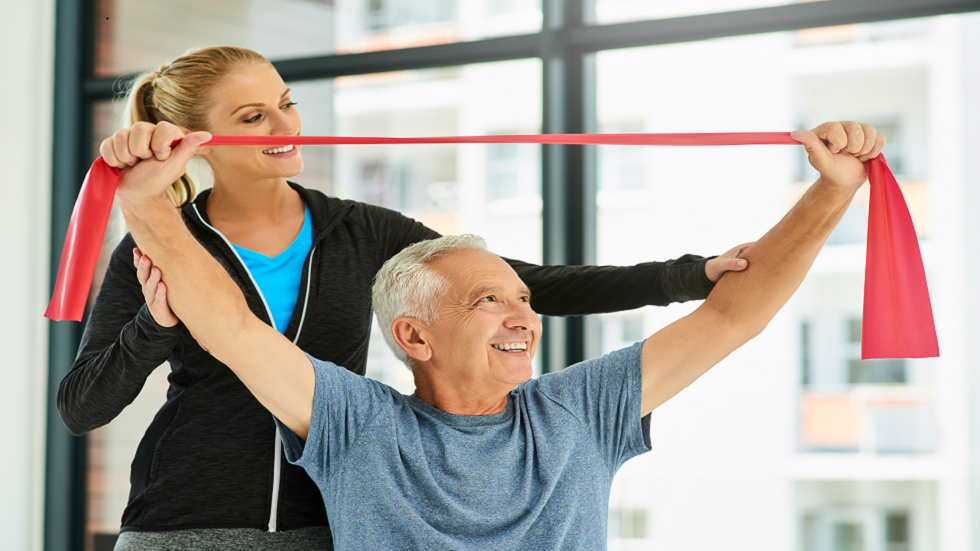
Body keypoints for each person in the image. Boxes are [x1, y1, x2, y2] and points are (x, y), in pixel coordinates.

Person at [57, 46, 749, 549]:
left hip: (323, 523)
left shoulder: (363, 231)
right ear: (201, 140)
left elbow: (530, 282)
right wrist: (156, 320)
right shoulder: (162, 244)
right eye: (254, 115)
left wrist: (689, 275)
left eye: (287, 103)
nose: (286, 124)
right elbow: (82, 404)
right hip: (181, 524)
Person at [116, 119, 884, 550]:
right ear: (414, 336)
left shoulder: (581, 408)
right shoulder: (358, 422)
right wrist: (150, 206)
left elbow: (733, 313)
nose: (525, 315)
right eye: (490, 299)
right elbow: (229, 324)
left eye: (523, 297)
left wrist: (832, 189)